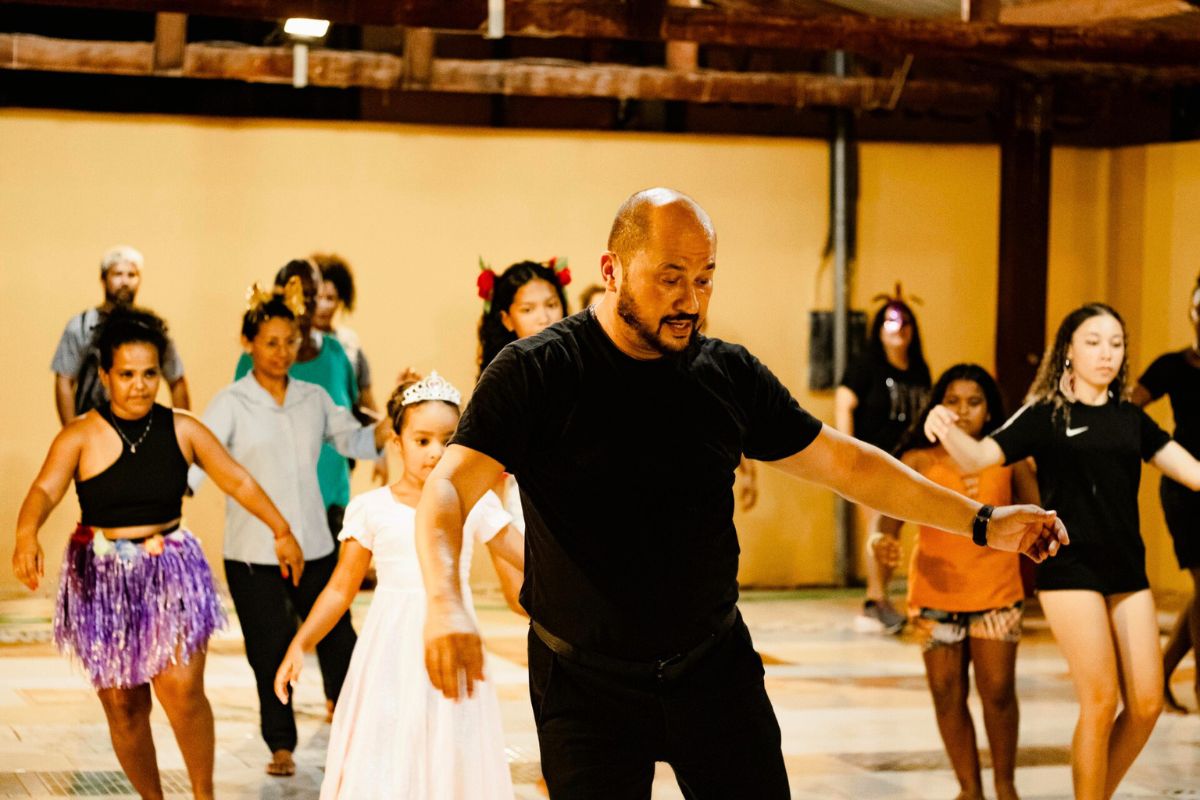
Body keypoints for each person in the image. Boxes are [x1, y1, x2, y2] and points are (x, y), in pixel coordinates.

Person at [416, 187, 1067, 799]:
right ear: (611, 270)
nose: (691, 300)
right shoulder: (539, 372)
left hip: (712, 671)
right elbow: (449, 488)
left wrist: (983, 519)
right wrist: (445, 601)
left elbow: (848, 466)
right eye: (670, 277)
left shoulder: (723, 373)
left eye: (704, 278)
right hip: (583, 683)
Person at [13, 307, 304, 800]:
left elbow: (236, 478)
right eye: (126, 374)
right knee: (125, 707)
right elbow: (44, 489)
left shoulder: (183, 428)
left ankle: (202, 793)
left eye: (150, 374)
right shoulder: (80, 434)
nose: (140, 385)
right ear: (104, 375)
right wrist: (26, 533)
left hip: (171, 570)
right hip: (102, 580)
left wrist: (281, 529)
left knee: (184, 692)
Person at [924, 303, 1200, 800]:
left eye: (1115, 343)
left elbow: (1194, 474)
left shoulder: (1131, 418)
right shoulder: (1046, 414)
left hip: (1127, 571)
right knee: (1100, 700)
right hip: (1068, 568)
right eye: (1093, 342)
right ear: (1068, 350)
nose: (1106, 354)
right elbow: (983, 454)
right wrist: (945, 427)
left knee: (1146, 703)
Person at [273, 371, 524, 799]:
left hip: (453, 641)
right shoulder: (371, 508)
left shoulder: (473, 502)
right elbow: (340, 588)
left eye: (447, 440)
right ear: (396, 442)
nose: (434, 452)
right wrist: (301, 642)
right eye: (421, 440)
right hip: (390, 647)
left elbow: (527, 558)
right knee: (390, 738)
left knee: (450, 733)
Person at [195, 288, 390, 777]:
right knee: (269, 648)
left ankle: (352, 725)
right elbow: (198, 464)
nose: (281, 352)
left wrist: (397, 418)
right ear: (248, 343)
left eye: (289, 342)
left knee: (338, 640)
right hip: (252, 552)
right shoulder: (230, 404)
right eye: (270, 342)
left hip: (316, 544)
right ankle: (280, 744)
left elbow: (359, 441)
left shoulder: (313, 398)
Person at [872, 364, 1035, 800]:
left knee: (998, 692)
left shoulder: (1008, 456)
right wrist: (878, 546)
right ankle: (969, 789)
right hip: (935, 595)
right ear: (937, 408)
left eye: (975, 402)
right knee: (947, 693)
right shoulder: (917, 461)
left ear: (990, 410)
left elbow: (1037, 513)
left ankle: (1006, 786)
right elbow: (886, 523)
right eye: (953, 401)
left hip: (997, 593)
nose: (963, 411)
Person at [235, 260, 359, 542]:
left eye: (312, 294)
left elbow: (352, 414)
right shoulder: (252, 359)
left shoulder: (336, 352)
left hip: (331, 503)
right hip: (274, 507)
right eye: (295, 293)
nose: (304, 304)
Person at [835, 290, 932, 634]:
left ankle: (877, 599)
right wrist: (848, 452)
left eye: (905, 322)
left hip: (906, 464)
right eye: (891, 321)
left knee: (891, 532)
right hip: (869, 460)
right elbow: (844, 403)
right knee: (876, 527)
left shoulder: (919, 370)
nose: (899, 328)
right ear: (878, 328)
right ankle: (877, 600)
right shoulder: (865, 366)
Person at [1132, 277, 1200, 713]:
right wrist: (1154, 448)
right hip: (1184, 488)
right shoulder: (1172, 366)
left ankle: (1157, 673)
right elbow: (1125, 409)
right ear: (1192, 310)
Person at [52, 246, 190, 425]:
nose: (125, 282)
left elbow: (176, 379)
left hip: (141, 426)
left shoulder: (151, 329)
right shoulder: (81, 326)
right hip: (92, 424)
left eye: (131, 275)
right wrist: (71, 430)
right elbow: (64, 380)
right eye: (117, 274)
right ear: (103, 279)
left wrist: (180, 433)